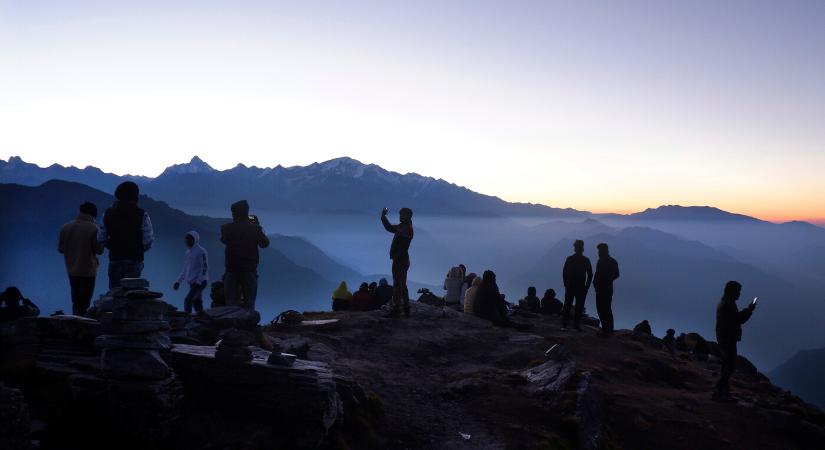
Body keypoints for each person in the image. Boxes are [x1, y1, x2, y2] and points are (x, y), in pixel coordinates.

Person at [99, 181, 154, 289]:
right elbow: (148, 241)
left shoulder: (108, 213)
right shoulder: (142, 214)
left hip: (115, 259)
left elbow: (101, 238)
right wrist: (138, 249)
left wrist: (112, 247)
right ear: (135, 196)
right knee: (131, 296)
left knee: (114, 295)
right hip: (134, 260)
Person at [221, 200, 270, 310]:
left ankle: (232, 325)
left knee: (231, 304)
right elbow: (265, 244)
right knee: (249, 303)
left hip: (231, 270)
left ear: (234, 213)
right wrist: (258, 227)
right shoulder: (255, 229)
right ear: (246, 212)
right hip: (249, 270)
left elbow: (224, 240)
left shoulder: (226, 228)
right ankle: (248, 325)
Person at [58, 201, 104, 315]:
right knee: (85, 301)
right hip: (88, 271)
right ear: (94, 214)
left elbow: (60, 249)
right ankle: (82, 324)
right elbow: (99, 250)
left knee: (75, 300)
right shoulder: (94, 228)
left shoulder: (66, 227)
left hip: (72, 269)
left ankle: (75, 322)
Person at [713, 280, 756, 401]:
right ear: (733, 292)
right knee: (729, 365)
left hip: (724, 337)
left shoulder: (725, 302)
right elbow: (738, 319)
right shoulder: (729, 304)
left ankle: (723, 391)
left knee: (727, 364)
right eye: (738, 291)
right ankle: (720, 392)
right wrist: (749, 310)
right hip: (728, 338)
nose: (739, 294)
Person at [381, 207, 414, 317]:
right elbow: (391, 228)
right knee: (402, 283)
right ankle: (406, 307)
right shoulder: (405, 227)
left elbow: (390, 228)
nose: (400, 216)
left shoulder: (406, 228)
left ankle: (396, 309)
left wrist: (383, 217)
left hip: (400, 260)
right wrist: (384, 217)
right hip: (403, 259)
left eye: (402, 214)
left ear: (407, 216)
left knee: (397, 284)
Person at [173, 231, 209, 314]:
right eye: (186, 238)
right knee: (197, 303)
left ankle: (187, 319)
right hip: (193, 282)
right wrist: (178, 281)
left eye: (189, 238)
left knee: (188, 300)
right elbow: (185, 269)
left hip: (200, 282)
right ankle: (202, 319)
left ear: (195, 240)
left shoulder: (201, 251)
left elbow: (204, 267)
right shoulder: (188, 252)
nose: (187, 240)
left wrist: (199, 281)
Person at [561, 240, 593, 331]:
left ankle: (564, 324)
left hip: (571, 285)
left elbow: (564, 272)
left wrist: (566, 283)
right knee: (578, 306)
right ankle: (575, 325)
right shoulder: (585, 260)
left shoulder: (570, 259)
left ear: (575, 248)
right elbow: (590, 274)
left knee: (568, 305)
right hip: (580, 286)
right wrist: (586, 286)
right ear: (582, 248)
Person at [593, 243, 620, 336]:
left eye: (599, 251)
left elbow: (616, 274)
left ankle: (607, 329)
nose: (598, 252)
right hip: (604, 288)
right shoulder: (610, 261)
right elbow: (616, 274)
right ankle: (608, 328)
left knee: (603, 308)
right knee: (604, 308)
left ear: (603, 251)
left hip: (604, 288)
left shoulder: (606, 261)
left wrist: (607, 279)